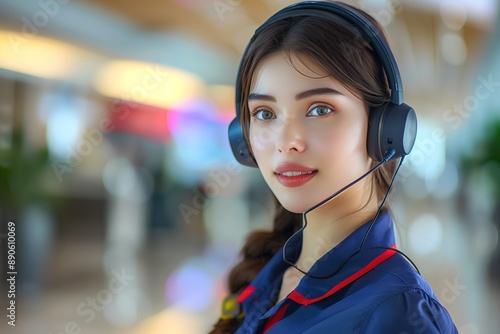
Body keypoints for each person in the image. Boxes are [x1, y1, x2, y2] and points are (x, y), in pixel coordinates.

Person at [210, 1, 458, 333]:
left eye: (319, 109)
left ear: (382, 129)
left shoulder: (400, 312)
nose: (287, 142)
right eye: (265, 114)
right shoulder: (272, 273)